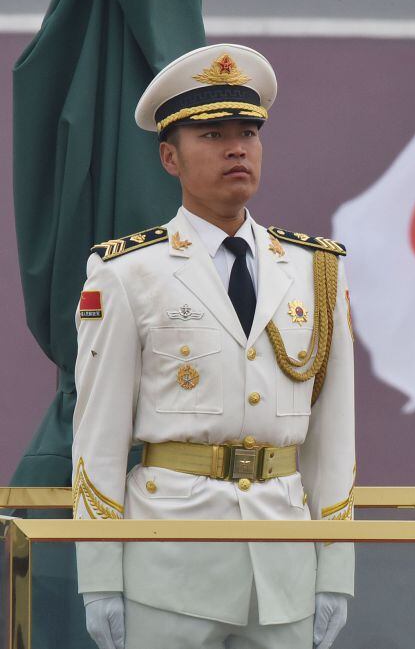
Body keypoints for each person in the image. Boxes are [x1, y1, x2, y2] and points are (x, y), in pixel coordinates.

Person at [71, 44, 356, 649]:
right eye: (213, 134)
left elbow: (334, 438)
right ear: (169, 156)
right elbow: (96, 437)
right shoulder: (127, 274)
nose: (237, 148)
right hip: (169, 563)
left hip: (284, 563)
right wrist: (98, 578)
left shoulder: (315, 271)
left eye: (249, 133)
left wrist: (337, 570)